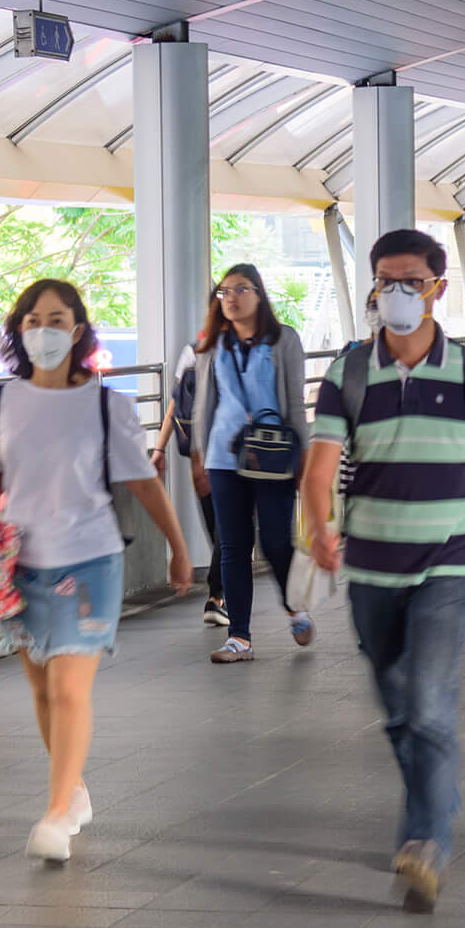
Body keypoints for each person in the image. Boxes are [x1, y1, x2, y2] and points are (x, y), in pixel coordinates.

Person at [303, 229, 465, 912]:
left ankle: (426, 840)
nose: (396, 293)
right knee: (399, 710)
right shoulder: (347, 372)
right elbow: (318, 470)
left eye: (411, 280)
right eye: (385, 281)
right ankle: (436, 796)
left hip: (449, 558)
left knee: (430, 702)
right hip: (371, 564)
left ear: (440, 286)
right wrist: (320, 529)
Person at [0, 279, 192, 862]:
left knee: (68, 689)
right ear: (19, 329)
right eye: (34, 320)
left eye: (58, 320)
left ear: (78, 330)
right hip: (21, 562)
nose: (45, 331)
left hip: (89, 559)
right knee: (42, 689)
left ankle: (55, 812)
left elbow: (141, 479)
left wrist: (179, 544)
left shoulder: (104, 405)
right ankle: (75, 788)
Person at [190, 263, 312, 663]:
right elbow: (205, 404)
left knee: (277, 542)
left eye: (241, 289)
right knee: (233, 546)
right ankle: (239, 637)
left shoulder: (283, 340)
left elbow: (294, 402)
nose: (231, 298)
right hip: (225, 457)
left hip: (274, 455)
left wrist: (305, 458)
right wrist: (199, 456)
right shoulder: (212, 344)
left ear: (259, 294)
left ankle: (294, 607)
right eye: (224, 291)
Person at [149, 339, 227, 628]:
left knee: (218, 524)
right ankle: (216, 593)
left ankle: (218, 594)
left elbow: (175, 404)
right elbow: (180, 403)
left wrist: (160, 448)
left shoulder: (192, 352)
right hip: (229, 453)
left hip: (200, 454)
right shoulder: (236, 348)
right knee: (228, 527)